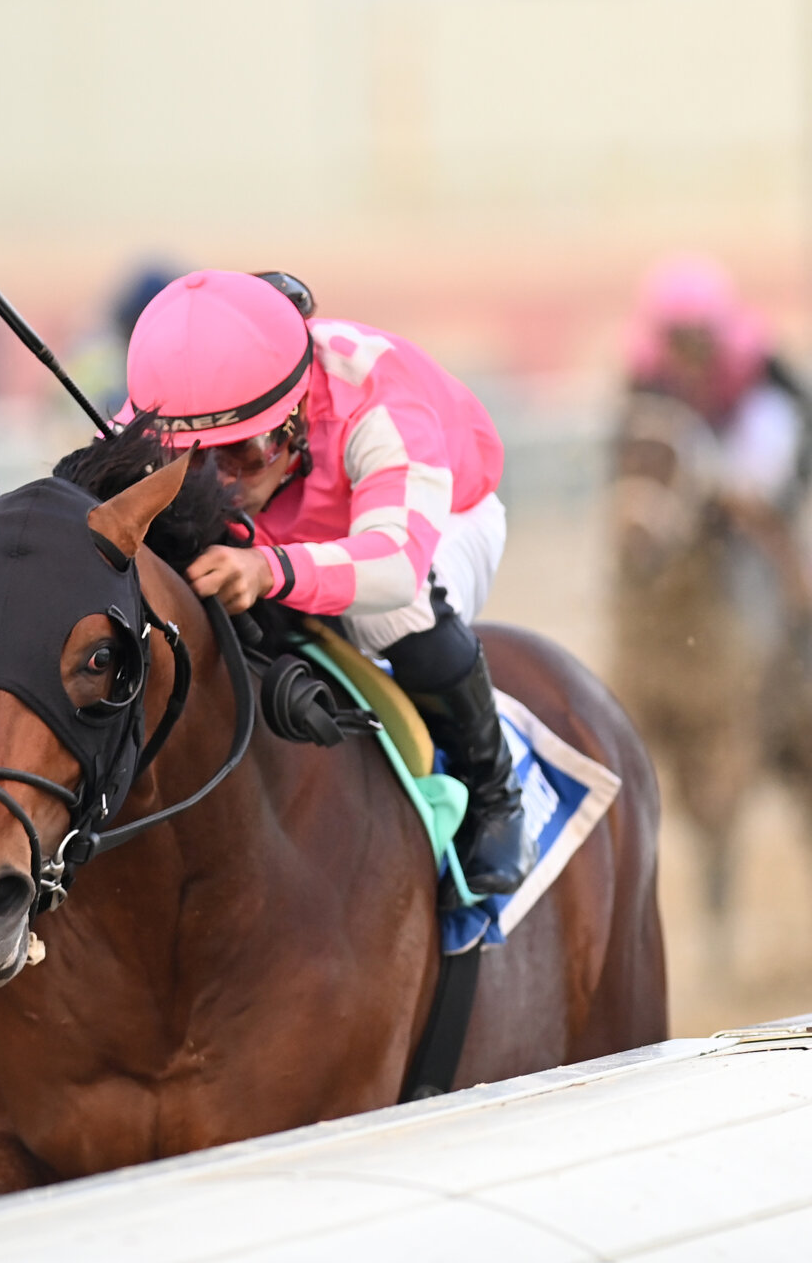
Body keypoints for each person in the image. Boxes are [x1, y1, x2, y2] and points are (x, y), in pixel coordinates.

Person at [115, 269, 533, 897]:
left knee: (381, 614)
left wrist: (268, 570)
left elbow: (394, 565)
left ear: (296, 415)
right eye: (193, 458)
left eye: (241, 453)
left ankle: (494, 793)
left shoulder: (378, 395)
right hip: (284, 537)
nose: (220, 480)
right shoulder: (177, 401)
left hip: (435, 522)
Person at [623, 255, 812, 619]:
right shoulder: (646, 372)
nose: (689, 351)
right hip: (693, 444)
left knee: (752, 485)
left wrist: (773, 501)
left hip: (744, 440)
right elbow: (633, 445)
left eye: (698, 337)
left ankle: (795, 591)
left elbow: (796, 431)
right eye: (678, 339)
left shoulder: (759, 363)